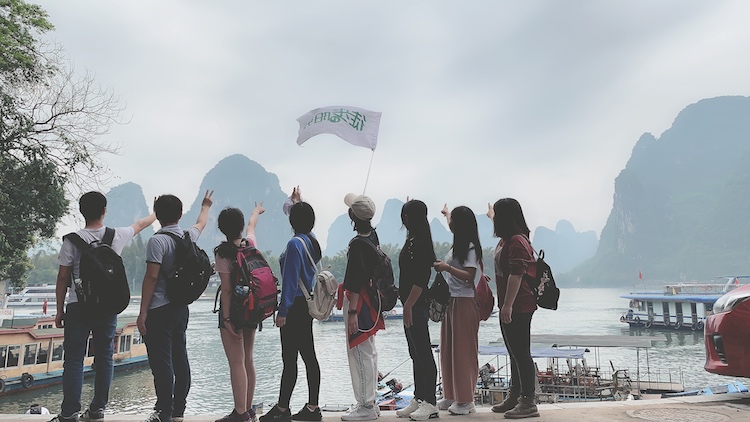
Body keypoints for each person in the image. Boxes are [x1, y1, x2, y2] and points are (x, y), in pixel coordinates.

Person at [51, 191, 156, 422]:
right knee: (105, 356)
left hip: (78, 306)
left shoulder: (71, 240)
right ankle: (97, 409)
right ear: (104, 210)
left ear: (81, 212)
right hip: (107, 307)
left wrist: (59, 310)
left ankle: (69, 412)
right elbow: (140, 225)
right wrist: (155, 214)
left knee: (74, 359)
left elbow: (62, 278)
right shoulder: (116, 235)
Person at [137, 191, 213, 422]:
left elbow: (151, 277)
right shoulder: (188, 236)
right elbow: (201, 223)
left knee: (161, 362)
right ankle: (178, 409)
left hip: (159, 309)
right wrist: (206, 205)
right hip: (180, 308)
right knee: (180, 358)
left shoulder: (157, 241)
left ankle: (163, 411)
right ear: (180, 215)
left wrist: (142, 312)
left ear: (157, 215)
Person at [261, 188, 322, 422]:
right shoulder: (311, 240)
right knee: (308, 356)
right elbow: (296, 214)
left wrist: (282, 311)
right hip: (305, 305)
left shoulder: (295, 244)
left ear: (292, 221)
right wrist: (296, 202)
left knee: (290, 359)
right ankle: (312, 407)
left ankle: (283, 408)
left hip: (294, 306)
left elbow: (289, 280)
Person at [214, 203, 266, 422]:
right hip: (252, 308)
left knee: (236, 362)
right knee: (247, 360)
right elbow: (252, 226)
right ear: (241, 226)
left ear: (221, 229)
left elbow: (226, 290)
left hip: (234, 312)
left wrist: (226, 319)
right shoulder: (250, 244)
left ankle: (240, 413)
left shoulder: (222, 253)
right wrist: (256, 212)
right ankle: (248, 409)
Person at [487, 199, 539, 419]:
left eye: (497, 215)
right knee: (513, 352)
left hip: (519, 305)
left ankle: (528, 401)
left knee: (521, 353)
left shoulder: (516, 241)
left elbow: (516, 275)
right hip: (509, 304)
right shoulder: (509, 238)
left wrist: (507, 305)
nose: (495, 219)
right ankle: (515, 394)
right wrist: (490, 214)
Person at [432, 205, 481, 416]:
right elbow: (451, 224)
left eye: (453, 221)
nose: (450, 224)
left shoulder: (470, 248)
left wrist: (447, 268)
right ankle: (451, 395)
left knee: (463, 351)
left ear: (460, 225)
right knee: (448, 349)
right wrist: (446, 215)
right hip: (452, 300)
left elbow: (470, 276)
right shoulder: (459, 244)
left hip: (464, 301)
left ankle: (466, 400)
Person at [340, 193, 384, 422]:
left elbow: (355, 282)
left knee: (359, 353)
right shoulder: (373, 236)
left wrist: (352, 312)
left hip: (360, 304)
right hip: (372, 302)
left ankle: (365, 405)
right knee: (369, 352)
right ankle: (370, 402)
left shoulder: (357, 244)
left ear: (353, 216)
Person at [394, 199, 438, 421]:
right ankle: (419, 398)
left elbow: (421, 278)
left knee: (423, 353)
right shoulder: (412, 240)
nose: (404, 220)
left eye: (406, 215)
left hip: (416, 305)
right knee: (415, 354)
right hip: (410, 304)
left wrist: (409, 305)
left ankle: (430, 402)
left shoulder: (419, 242)